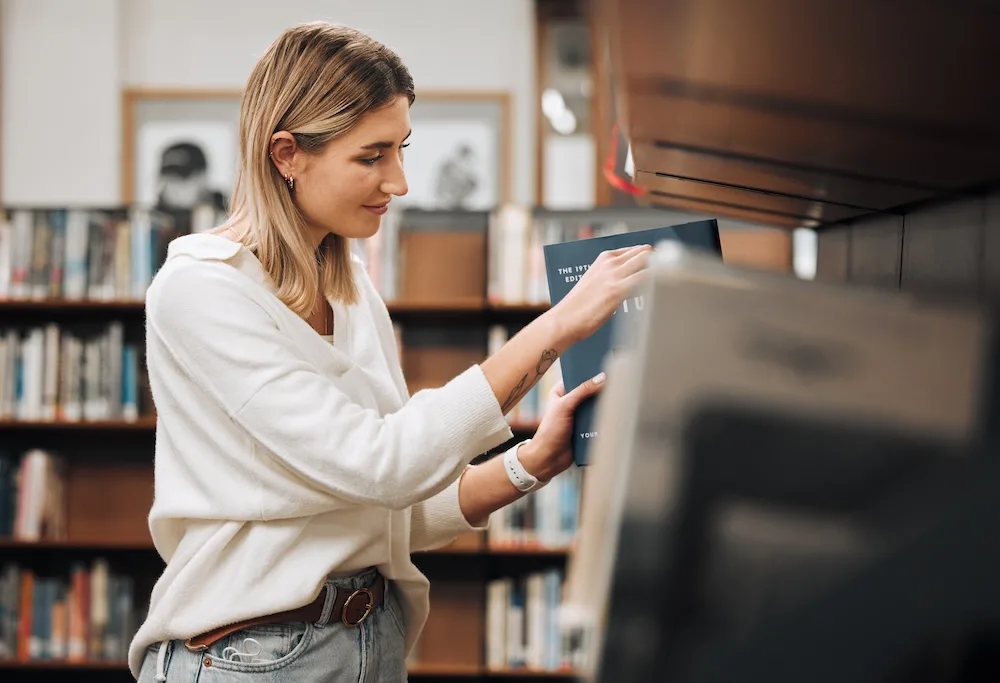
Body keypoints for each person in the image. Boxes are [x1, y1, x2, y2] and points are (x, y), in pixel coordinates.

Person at [129, 21, 651, 683]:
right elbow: (384, 464)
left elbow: (385, 512)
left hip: (369, 639)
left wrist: (527, 464)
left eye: (401, 148)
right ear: (288, 154)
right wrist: (556, 328)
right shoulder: (201, 290)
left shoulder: (349, 290)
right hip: (252, 659)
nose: (399, 181)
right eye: (373, 155)